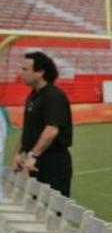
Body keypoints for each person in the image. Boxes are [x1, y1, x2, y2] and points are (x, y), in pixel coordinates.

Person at [12, 52, 73, 197]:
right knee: (35, 206)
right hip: (34, 161)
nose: (20, 73)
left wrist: (33, 155)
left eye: (25, 69)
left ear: (40, 72)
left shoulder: (53, 96)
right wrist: (17, 153)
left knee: (53, 210)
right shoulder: (33, 95)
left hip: (52, 162)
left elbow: (52, 130)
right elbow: (28, 129)